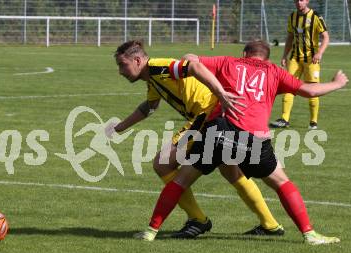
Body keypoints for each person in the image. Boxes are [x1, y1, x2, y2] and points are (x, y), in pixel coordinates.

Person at [135, 40, 348, 245]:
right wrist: (337, 83)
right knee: (281, 182)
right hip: (253, 138)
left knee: (181, 180)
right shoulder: (274, 72)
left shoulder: (229, 62)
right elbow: (310, 91)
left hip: (218, 130)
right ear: (266, 58)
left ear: (244, 54)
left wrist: (219, 88)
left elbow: (190, 59)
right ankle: (308, 234)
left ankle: (151, 231)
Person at [110, 40, 285, 239]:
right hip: (214, 115)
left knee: (163, 163)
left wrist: (220, 93)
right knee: (231, 171)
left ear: (137, 60)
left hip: (206, 114)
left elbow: (193, 66)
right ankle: (270, 224)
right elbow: (149, 106)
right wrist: (119, 127)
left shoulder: (158, 67)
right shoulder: (152, 78)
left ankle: (198, 220)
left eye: (122, 65)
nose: (120, 71)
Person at [270, 0, 329, 129]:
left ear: (307, 1)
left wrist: (319, 53)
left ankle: (313, 122)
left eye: (301, 0)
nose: (298, 2)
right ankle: (284, 119)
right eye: (296, 0)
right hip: (295, 58)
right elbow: (290, 37)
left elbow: (326, 36)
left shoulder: (316, 16)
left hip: (311, 59)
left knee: (313, 88)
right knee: (288, 86)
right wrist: (284, 55)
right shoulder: (292, 16)